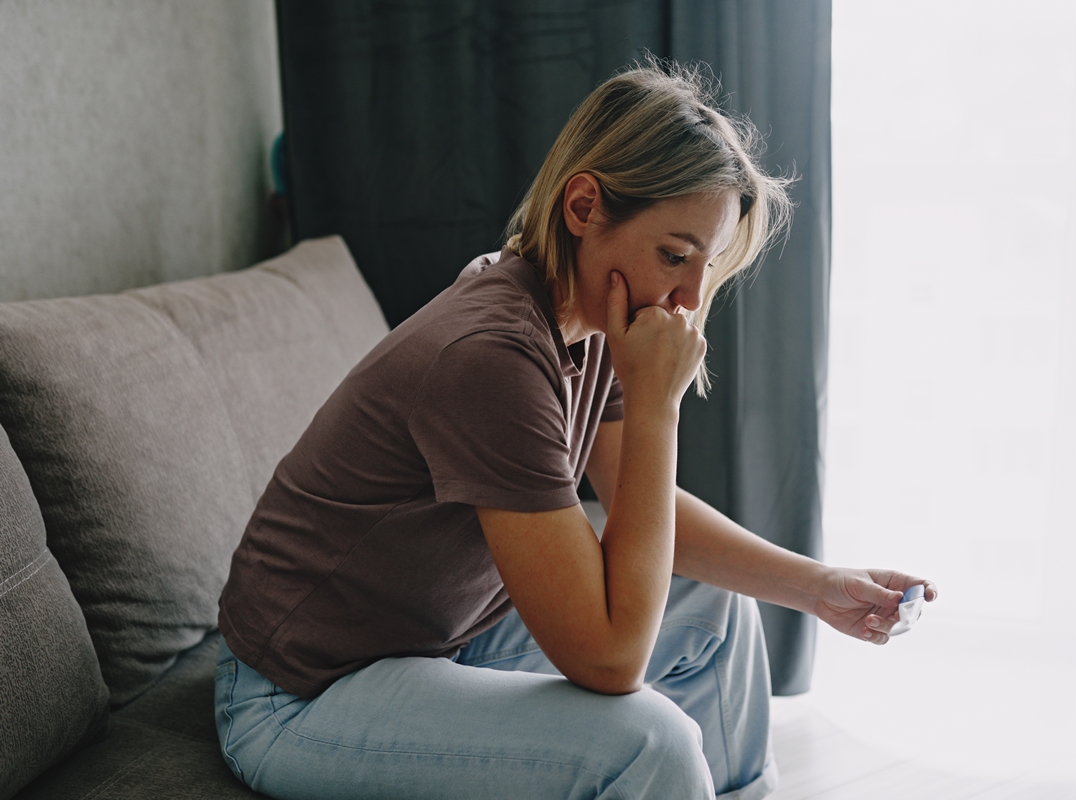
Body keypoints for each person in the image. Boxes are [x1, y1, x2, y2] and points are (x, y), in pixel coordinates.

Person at [214, 60, 936, 800]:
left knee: (717, 611)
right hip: (301, 692)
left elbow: (636, 503)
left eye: (707, 264)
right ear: (584, 206)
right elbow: (611, 657)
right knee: (648, 747)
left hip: (443, 634)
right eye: (673, 256)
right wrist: (659, 406)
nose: (689, 300)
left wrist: (820, 587)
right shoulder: (491, 354)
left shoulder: (583, 322)